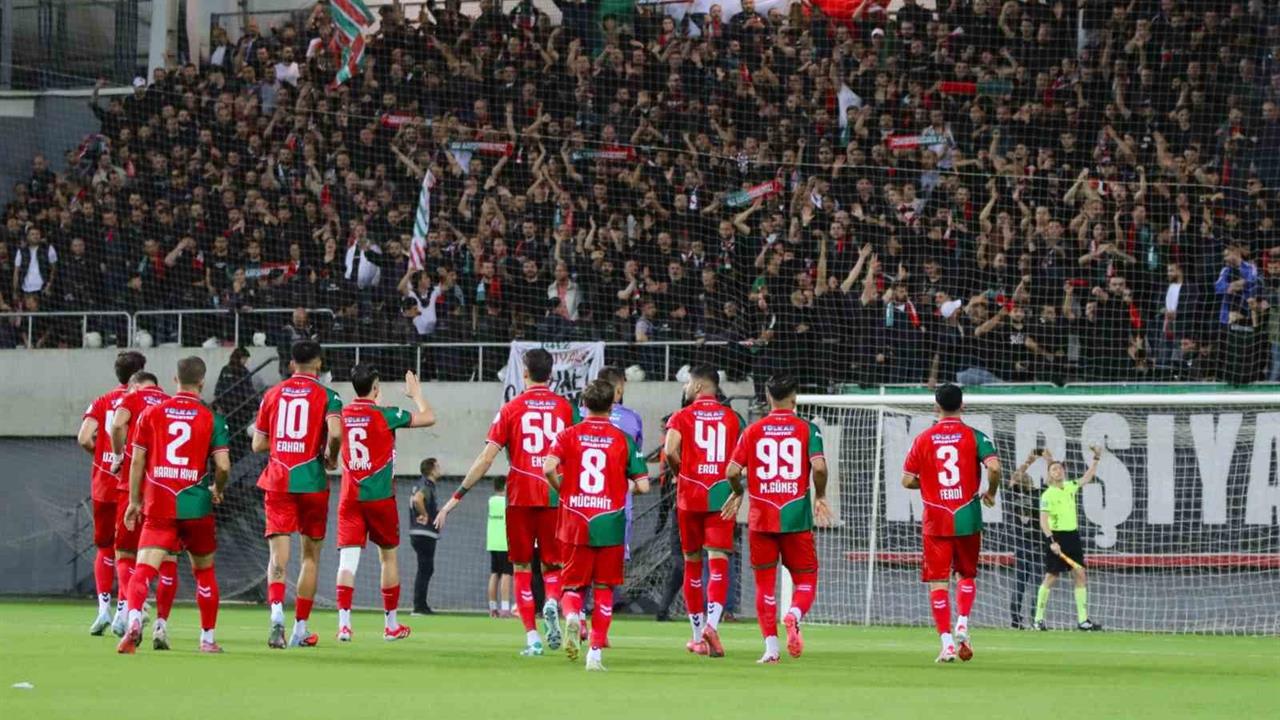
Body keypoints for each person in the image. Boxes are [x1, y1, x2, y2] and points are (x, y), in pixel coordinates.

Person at [433, 348, 579, 656]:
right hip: (555, 496)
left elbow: (486, 459)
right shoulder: (566, 408)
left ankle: (532, 639)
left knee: (522, 568)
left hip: (520, 497)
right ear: (551, 374)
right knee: (553, 566)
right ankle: (552, 601)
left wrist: (456, 496)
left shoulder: (511, 409)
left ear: (524, 373)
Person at [115, 357, 230, 654]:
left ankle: (134, 621)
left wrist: (135, 501)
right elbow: (223, 465)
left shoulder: (151, 414)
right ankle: (207, 639)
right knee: (204, 571)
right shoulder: (212, 418)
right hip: (196, 506)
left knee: (143, 569)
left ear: (175, 380)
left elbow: (137, 461)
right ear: (202, 382)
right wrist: (217, 489)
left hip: (159, 503)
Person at [542, 379, 651, 671]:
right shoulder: (623, 439)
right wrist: (620, 487)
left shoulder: (568, 434)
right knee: (604, 589)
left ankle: (572, 617)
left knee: (572, 586)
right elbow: (643, 485)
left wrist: (562, 489)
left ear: (583, 404)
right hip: (610, 522)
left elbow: (548, 467)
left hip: (574, 520)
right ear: (611, 406)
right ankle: (595, 655)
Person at [721, 374, 830, 664]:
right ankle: (793, 614)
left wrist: (738, 492)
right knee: (806, 579)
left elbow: (732, 471)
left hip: (761, 519)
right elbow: (819, 467)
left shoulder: (753, 430)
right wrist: (820, 495)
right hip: (796, 519)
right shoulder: (808, 428)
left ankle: (771, 649)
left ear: (768, 398)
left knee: (764, 585)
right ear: (794, 398)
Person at [252, 339, 343, 649]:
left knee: (278, 555)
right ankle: (300, 629)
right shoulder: (329, 396)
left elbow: (257, 444)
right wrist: (330, 456)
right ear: (319, 363)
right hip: (312, 481)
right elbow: (335, 433)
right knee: (310, 557)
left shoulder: (272, 394)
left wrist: (283, 445)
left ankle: (277, 615)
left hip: (278, 480)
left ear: (292, 364)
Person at [334, 365, 436, 642]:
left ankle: (344, 625)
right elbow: (429, 417)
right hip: (380, 499)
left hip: (350, 498)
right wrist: (416, 394)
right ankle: (390, 625)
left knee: (347, 560)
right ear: (376, 387)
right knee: (388, 558)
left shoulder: (342, 414)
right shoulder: (386, 415)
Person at [900, 384, 1001, 663]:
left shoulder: (923, 439)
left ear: (936, 406)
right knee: (965, 575)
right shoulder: (975, 436)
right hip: (967, 515)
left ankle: (946, 644)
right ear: (962, 405)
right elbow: (994, 467)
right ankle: (963, 622)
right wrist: (991, 492)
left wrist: (930, 485)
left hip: (936, 518)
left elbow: (907, 480)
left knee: (938, 581)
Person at [663, 364, 743, 657]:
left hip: (690, 497)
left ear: (697, 386)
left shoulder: (681, 416)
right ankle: (712, 625)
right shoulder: (733, 418)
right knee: (719, 561)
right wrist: (737, 489)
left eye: (687, 384)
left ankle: (697, 637)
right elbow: (741, 460)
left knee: (692, 563)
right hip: (721, 496)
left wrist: (681, 474)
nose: (685, 388)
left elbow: (670, 450)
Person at [76, 350, 146, 635]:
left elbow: (84, 437)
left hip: (103, 484)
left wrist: (102, 455)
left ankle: (103, 609)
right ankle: (124, 612)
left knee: (104, 548)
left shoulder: (102, 400)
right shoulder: (141, 401)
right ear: (140, 372)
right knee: (128, 551)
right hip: (130, 486)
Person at [107, 371, 178, 644]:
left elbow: (117, 425)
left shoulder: (132, 398)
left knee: (125, 553)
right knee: (168, 559)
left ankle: (136, 609)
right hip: (164, 489)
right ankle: (161, 626)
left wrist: (118, 456)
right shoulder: (171, 403)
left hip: (132, 488)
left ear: (134, 385)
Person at [1033, 446, 1103, 632]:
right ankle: (1038, 619)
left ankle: (1083, 621)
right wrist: (1051, 541)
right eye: (1054, 469)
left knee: (1080, 574)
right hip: (1057, 538)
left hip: (1073, 537)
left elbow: (1087, 477)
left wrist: (1096, 458)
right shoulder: (1047, 495)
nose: (1058, 471)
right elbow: (1043, 521)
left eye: (1060, 468)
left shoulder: (1070, 486)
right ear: (1049, 474)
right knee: (1051, 576)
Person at [1007, 451, 1047, 629]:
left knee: (1019, 584)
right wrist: (1048, 460)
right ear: (1031, 483)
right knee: (1038, 585)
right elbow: (1051, 481)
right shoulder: (1039, 495)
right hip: (1038, 545)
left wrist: (1027, 462)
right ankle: (1035, 619)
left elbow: (1014, 478)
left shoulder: (1013, 496)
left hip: (1021, 546)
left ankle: (1015, 621)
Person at [410, 458, 443, 616]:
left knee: (425, 569)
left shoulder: (420, 483)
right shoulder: (426, 485)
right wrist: (424, 514)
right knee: (425, 569)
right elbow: (417, 499)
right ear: (432, 469)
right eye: (437, 466)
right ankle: (419, 606)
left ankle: (421, 604)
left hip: (419, 533)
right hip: (424, 532)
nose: (440, 469)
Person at [485, 478, 513, 618]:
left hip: (492, 542)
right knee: (507, 574)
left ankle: (492, 608)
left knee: (495, 573)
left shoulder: (491, 501)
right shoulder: (506, 502)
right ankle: (505, 608)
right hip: (505, 543)